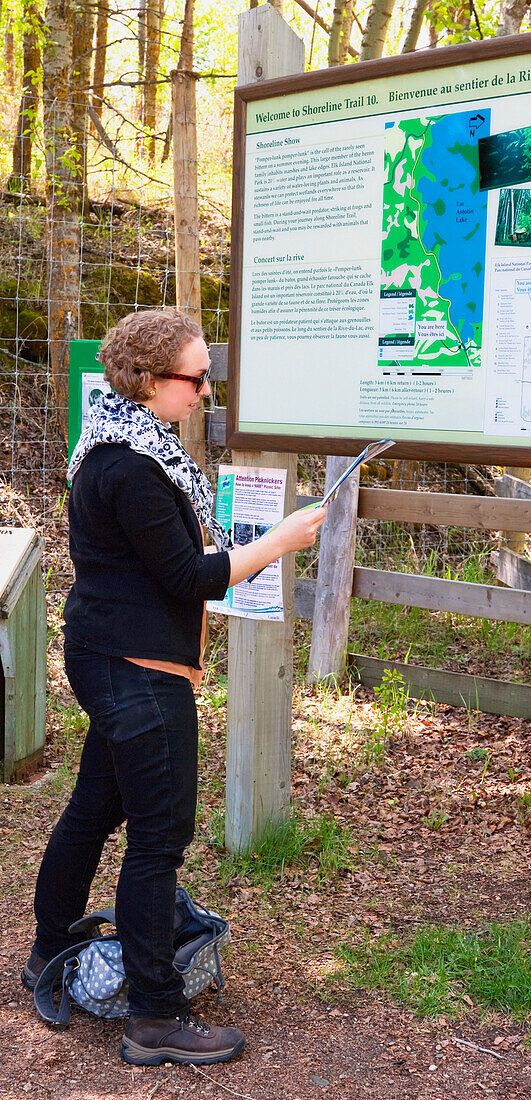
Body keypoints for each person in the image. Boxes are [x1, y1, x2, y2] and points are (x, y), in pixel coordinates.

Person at [22, 308, 327, 1066]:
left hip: (112, 655)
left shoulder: (118, 444)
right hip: (137, 672)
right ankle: (154, 1018)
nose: (202, 394)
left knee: (94, 810)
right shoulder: (130, 466)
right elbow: (191, 576)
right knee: (158, 840)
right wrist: (277, 544)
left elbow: (166, 563)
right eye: (195, 380)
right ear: (150, 380)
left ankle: (47, 952)